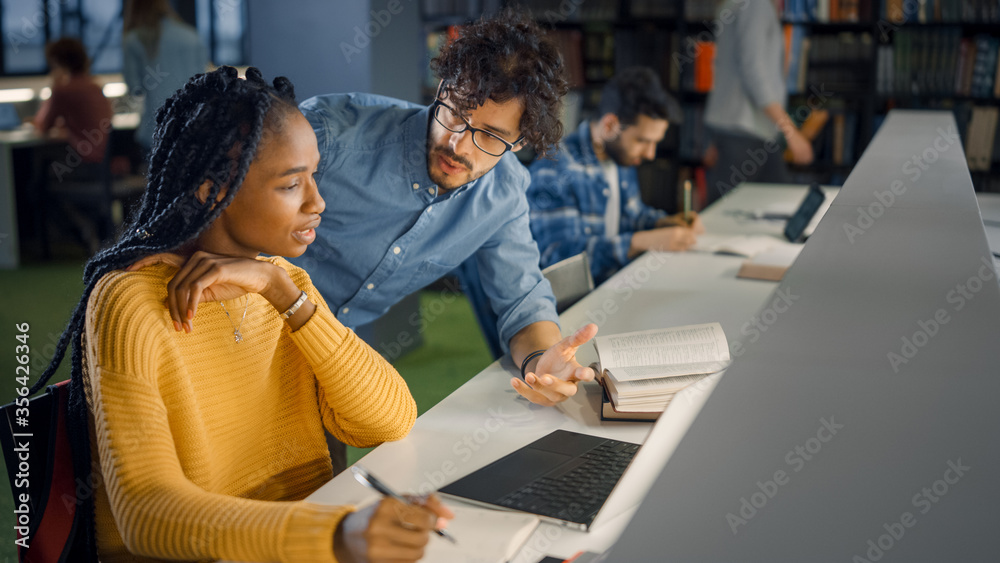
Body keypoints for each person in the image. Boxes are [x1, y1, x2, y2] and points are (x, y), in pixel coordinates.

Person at [30, 66, 451, 563]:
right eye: (292, 184)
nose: (318, 202)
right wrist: (335, 533)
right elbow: (145, 512)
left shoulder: (282, 282)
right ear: (213, 190)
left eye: (314, 176)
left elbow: (390, 420)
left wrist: (282, 293)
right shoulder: (130, 303)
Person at [292, 9, 597, 407]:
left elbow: (522, 302)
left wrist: (542, 363)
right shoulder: (331, 133)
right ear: (441, 89)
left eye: (490, 136)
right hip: (227, 319)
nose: (459, 146)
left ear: (518, 144)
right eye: (456, 114)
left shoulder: (503, 194)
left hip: (322, 349)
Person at [526, 67, 705, 286]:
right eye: (642, 141)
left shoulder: (619, 157)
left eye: (655, 143)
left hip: (617, 285)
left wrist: (663, 223)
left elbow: (631, 216)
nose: (650, 154)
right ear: (610, 125)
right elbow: (560, 261)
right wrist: (640, 242)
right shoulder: (553, 170)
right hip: (575, 304)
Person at [703, 0, 814, 207]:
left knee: (775, 204)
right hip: (745, 129)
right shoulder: (757, 5)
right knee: (723, 215)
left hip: (744, 129)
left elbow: (727, 68)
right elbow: (753, 72)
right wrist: (790, 132)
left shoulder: (737, 5)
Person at [123, 0, 208, 151]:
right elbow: (203, 80)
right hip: (193, 125)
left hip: (155, 129)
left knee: (157, 173)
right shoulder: (191, 36)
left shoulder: (134, 39)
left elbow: (134, 88)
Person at [33, 37, 113, 164]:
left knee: (33, 155)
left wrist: (54, 84)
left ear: (57, 62)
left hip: (84, 158)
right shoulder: (95, 87)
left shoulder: (63, 89)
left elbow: (43, 126)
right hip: (103, 157)